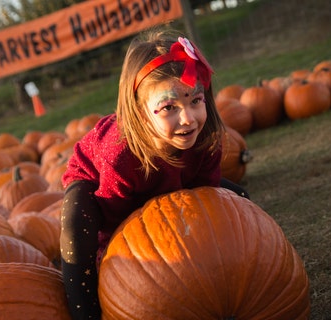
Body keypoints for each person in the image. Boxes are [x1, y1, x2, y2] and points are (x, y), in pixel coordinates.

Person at [60, 26, 249, 320]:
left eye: (195, 101)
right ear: (139, 112)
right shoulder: (119, 155)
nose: (188, 118)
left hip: (168, 180)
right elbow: (115, 223)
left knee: (239, 200)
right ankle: (85, 310)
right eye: (169, 107)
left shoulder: (206, 138)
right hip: (101, 191)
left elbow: (206, 201)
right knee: (76, 228)